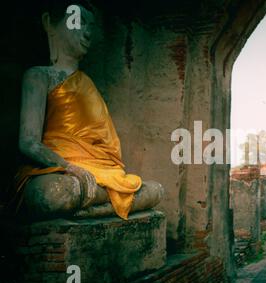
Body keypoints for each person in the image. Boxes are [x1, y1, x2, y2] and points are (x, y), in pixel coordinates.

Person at [13, 1, 163, 220]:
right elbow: (28, 142)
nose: (87, 32)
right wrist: (69, 167)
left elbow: (104, 144)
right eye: (77, 21)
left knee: (155, 190)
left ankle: (94, 206)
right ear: (49, 24)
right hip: (62, 171)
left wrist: (90, 172)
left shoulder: (88, 84)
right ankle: (101, 204)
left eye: (90, 26)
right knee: (50, 194)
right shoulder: (39, 76)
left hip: (100, 171)